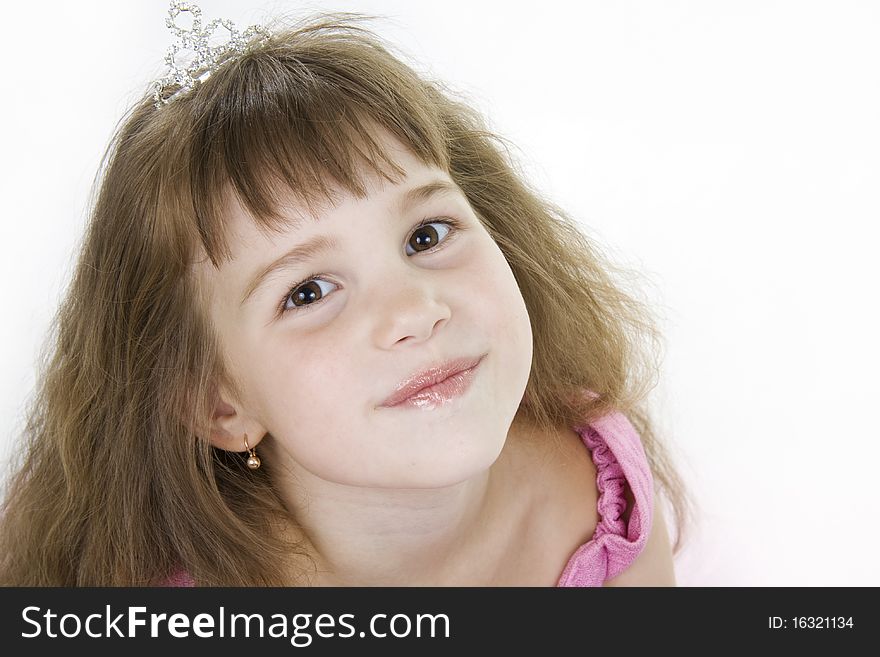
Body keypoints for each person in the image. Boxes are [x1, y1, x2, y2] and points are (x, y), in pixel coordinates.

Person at [0, 1, 692, 586]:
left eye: (426, 235)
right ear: (220, 402)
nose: (415, 312)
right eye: (307, 291)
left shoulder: (601, 504)